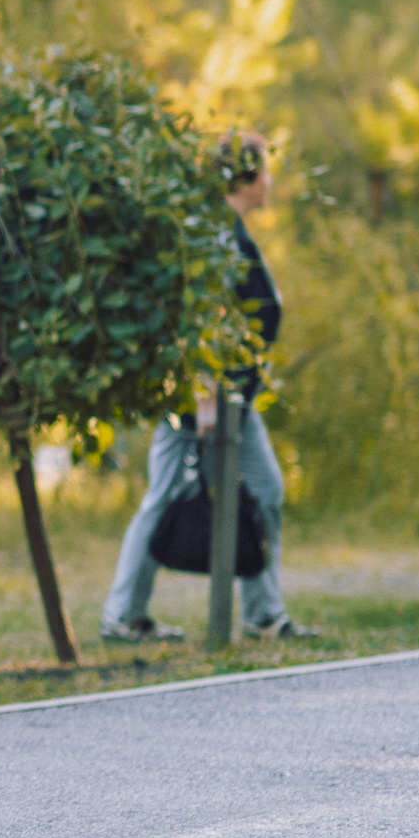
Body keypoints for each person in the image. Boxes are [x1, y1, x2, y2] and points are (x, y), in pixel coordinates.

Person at [99, 132, 320, 643]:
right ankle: (122, 615)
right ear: (247, 177)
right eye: (265, 171)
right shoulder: (214, 235)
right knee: (166, 496)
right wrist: (202, 394)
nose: (270, 181)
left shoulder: (230, 231)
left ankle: (262, 614)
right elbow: (198, 315)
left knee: (264, 490)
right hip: (204, 399)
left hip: (235, 400)